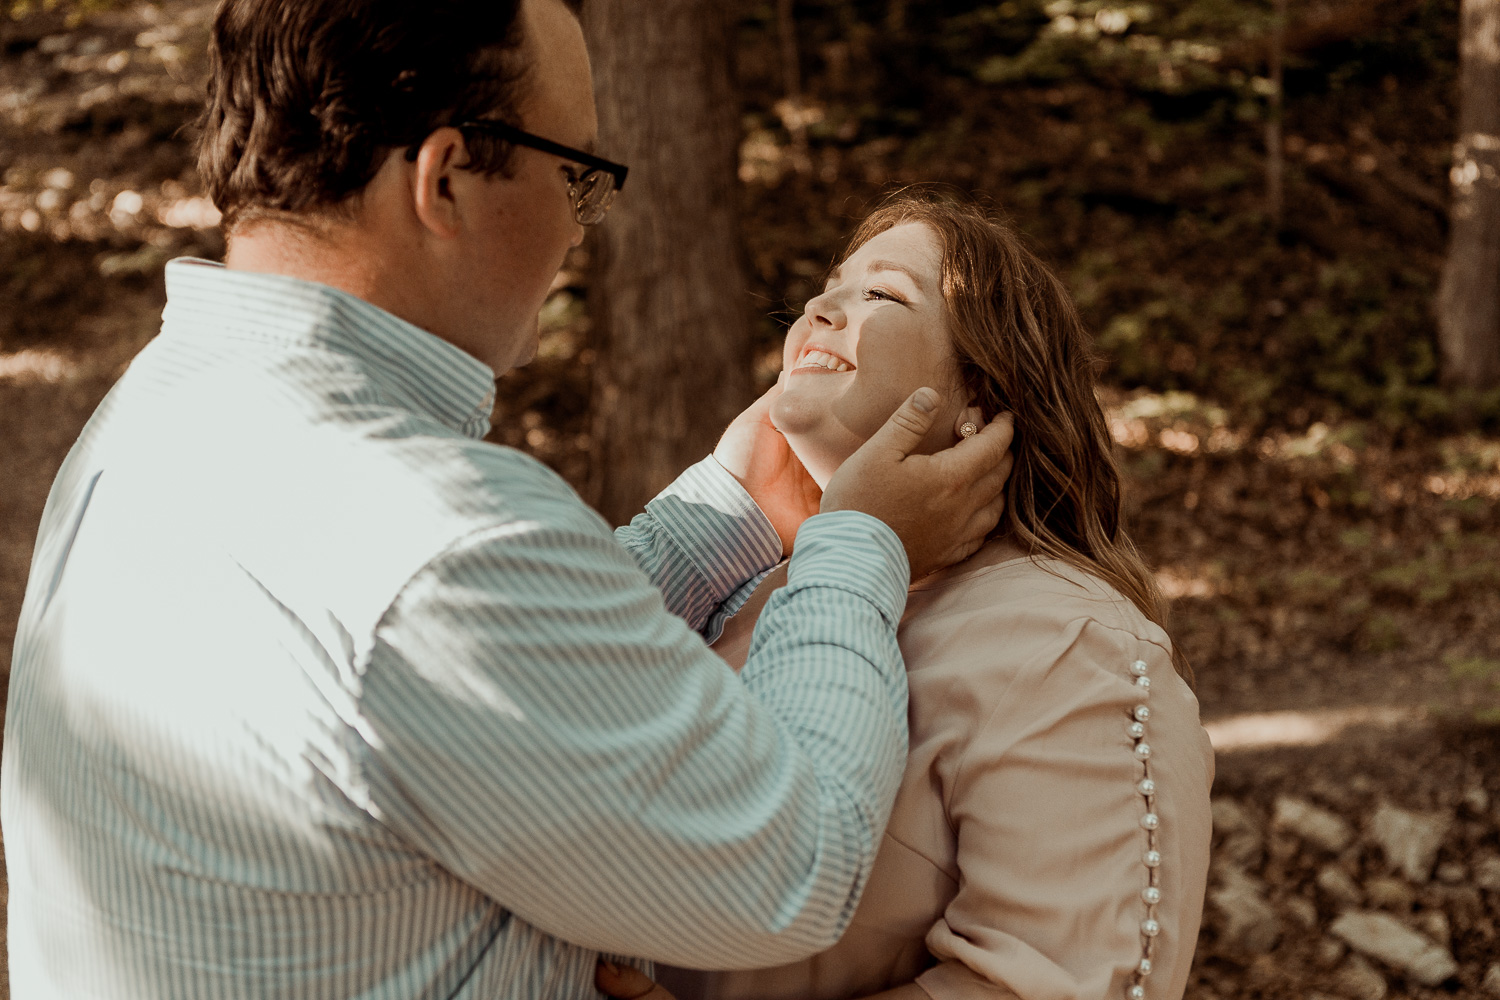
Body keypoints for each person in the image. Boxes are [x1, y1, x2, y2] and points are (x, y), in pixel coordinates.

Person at [0, 2, 1017, 997]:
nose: (583, 227)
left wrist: (728, 510)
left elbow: (486, 691)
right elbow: (793, 868)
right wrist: (858, 547)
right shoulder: (438, 534)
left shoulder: (147, 421)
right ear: (445, 180)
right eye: (577, 173)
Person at [602, 194, 1214, 1000]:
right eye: (827, 288)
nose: (819, 307)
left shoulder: (1072, 644)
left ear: (981, 400)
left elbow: (1051, 983)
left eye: (881, 294)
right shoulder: (754, 592)